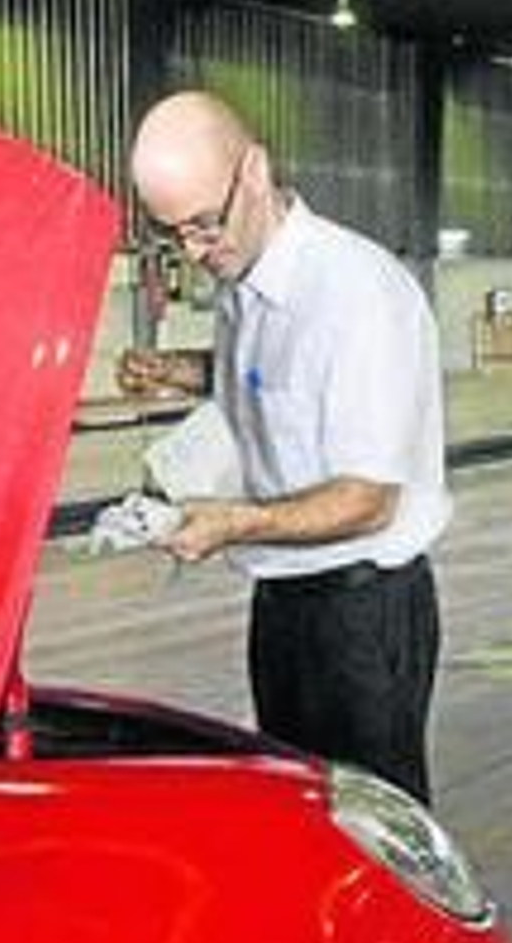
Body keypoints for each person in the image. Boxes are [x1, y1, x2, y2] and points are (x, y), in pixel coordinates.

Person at [120, 90, 449, 803]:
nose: (195, 252)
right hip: (285, 601)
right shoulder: (243, 278)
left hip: (362, 610)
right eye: (171, 234)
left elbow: (368, 499)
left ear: (256, 172)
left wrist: (235, 520)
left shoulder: (356, 295)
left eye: (205, 225)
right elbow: (276, 376)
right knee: (302, 814)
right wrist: (185, 370)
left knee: (375, 831)